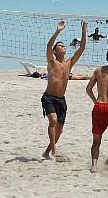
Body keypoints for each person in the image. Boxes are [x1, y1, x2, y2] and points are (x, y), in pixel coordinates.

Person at [41, 20, 88, 159]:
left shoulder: (69, 63)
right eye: (60, 46)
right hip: (49, 97)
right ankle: (55, 151)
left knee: (60, 130)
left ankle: (47, 151)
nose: (63, 47)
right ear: (55, 51)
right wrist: (58, 31)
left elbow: (82, 48)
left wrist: (84, 31)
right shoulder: (51, 61)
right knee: (53, 121)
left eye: (63, 45)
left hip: (61, 99)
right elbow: (49, 46)